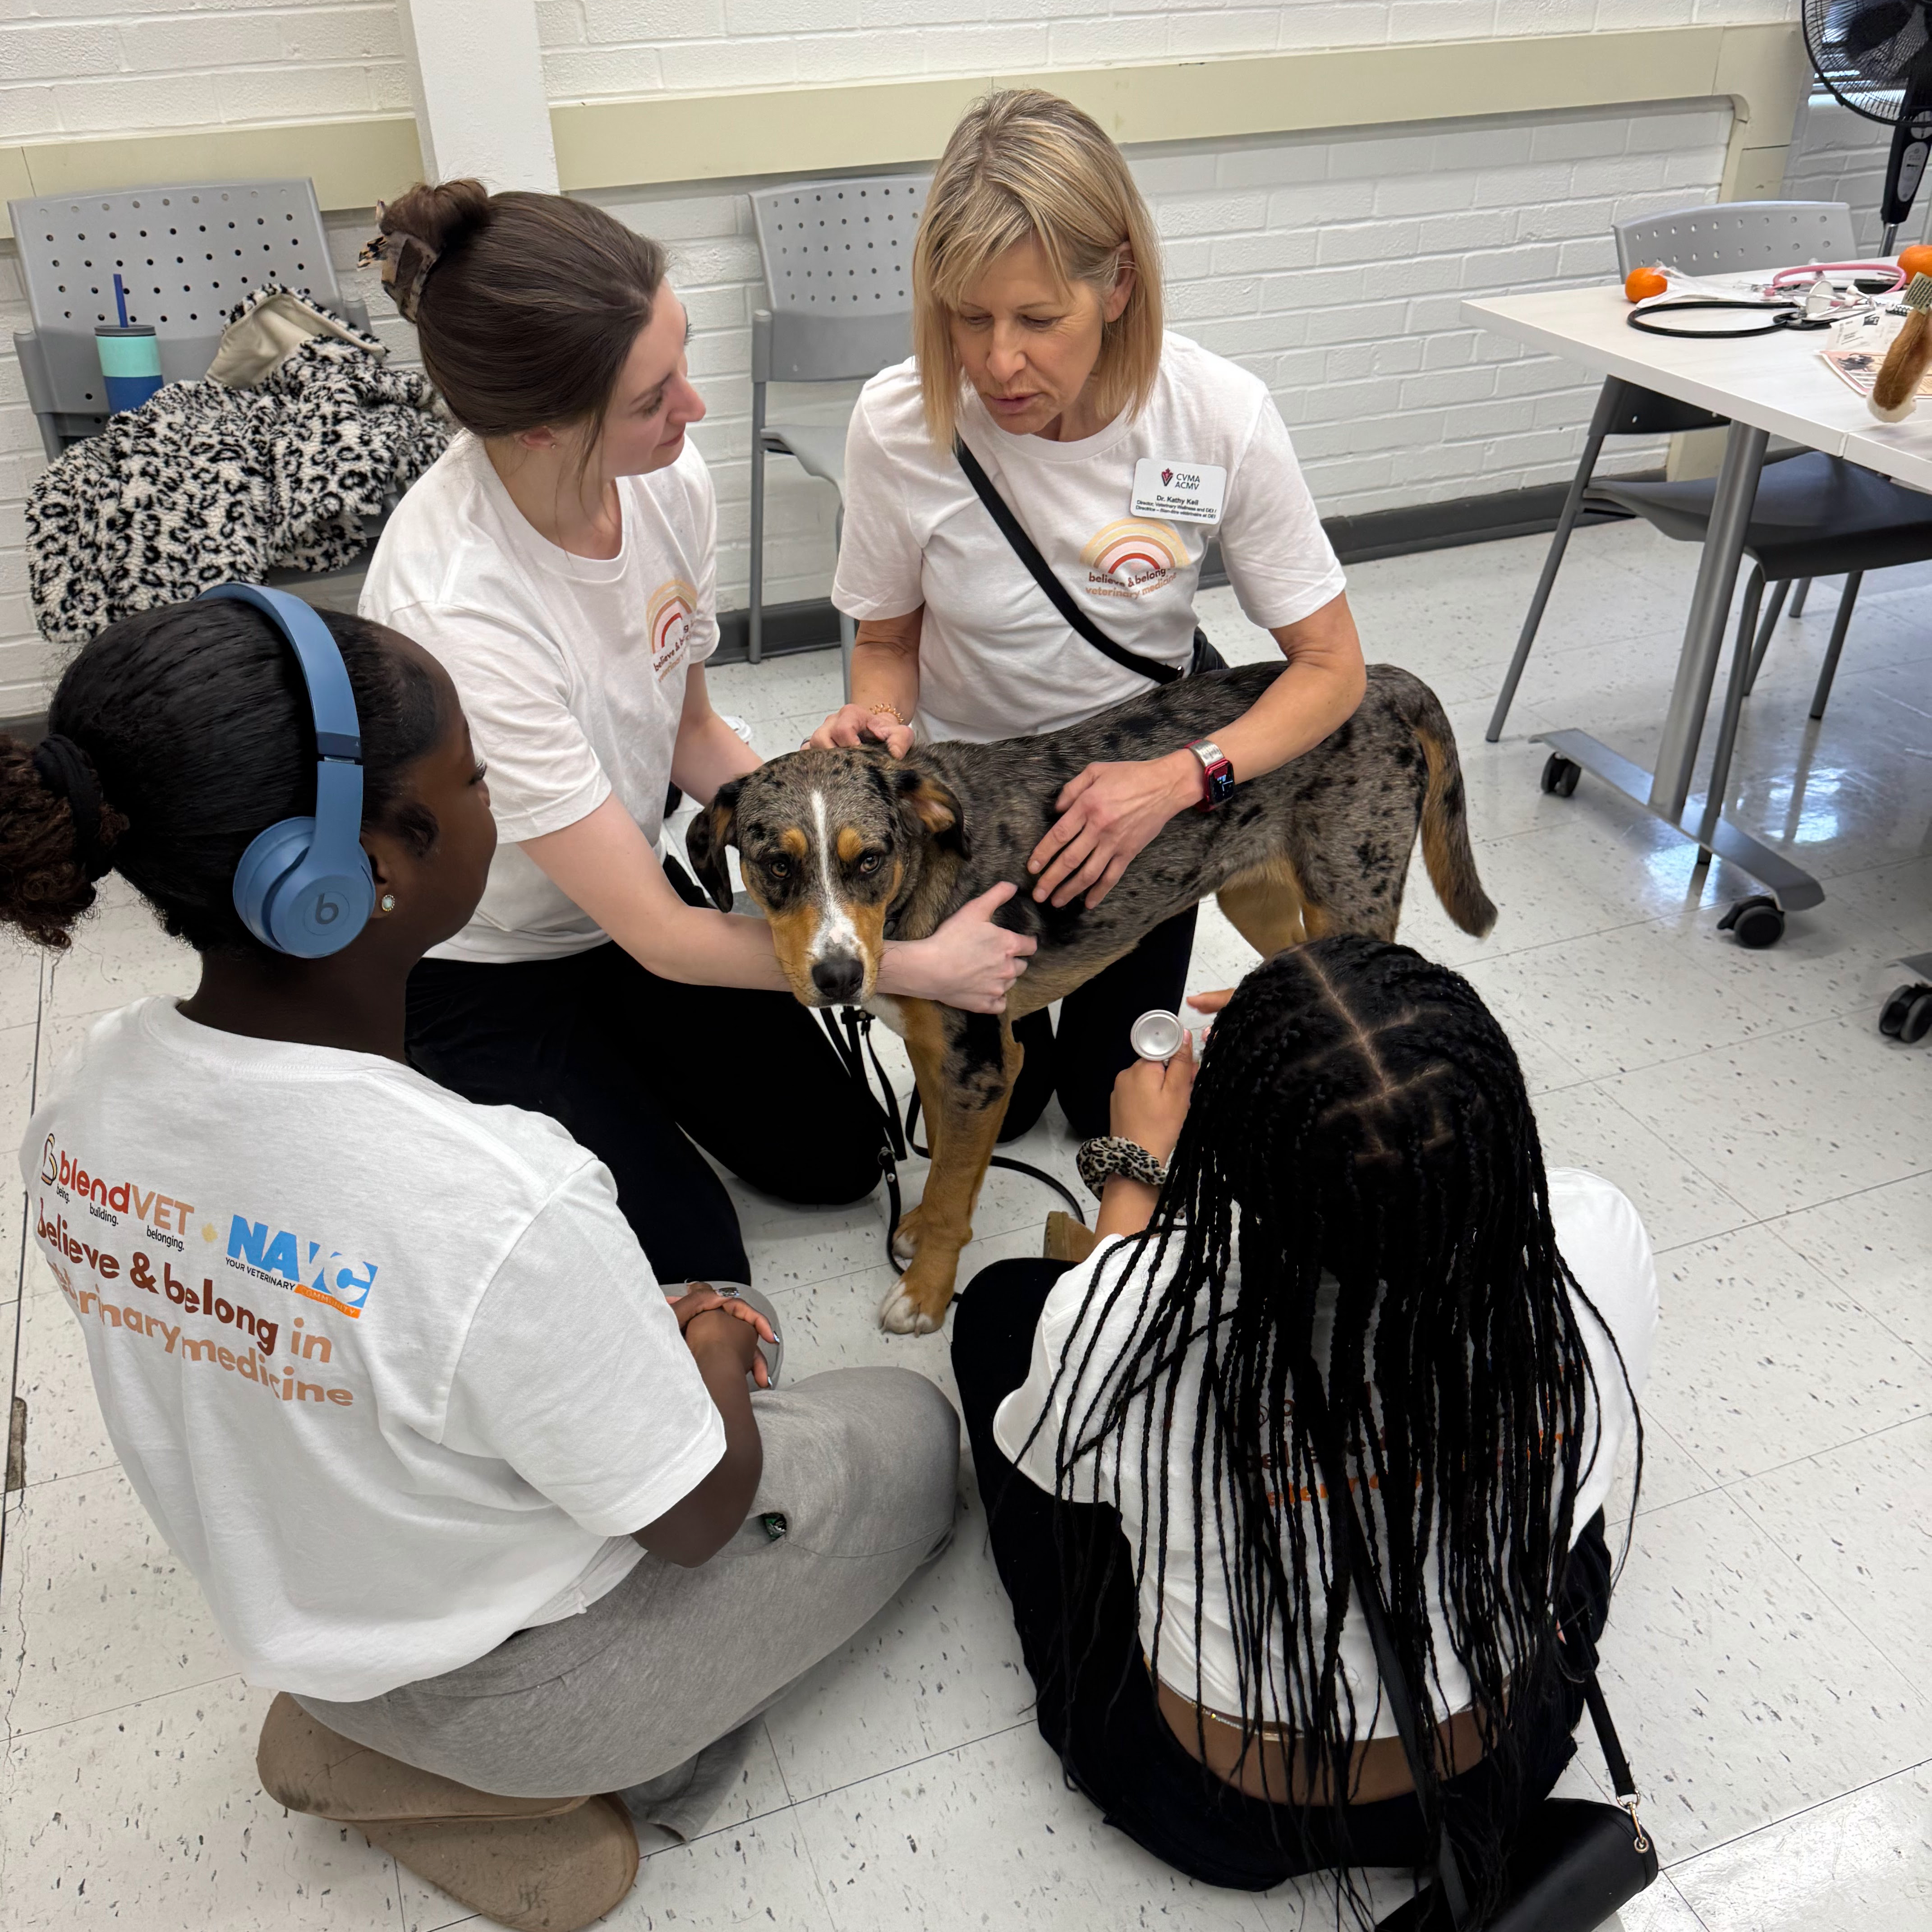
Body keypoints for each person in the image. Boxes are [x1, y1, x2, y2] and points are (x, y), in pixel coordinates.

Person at [4, 593, 960, 1932]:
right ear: (361, 863)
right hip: (531, 1687)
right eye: (473, 781)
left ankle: (373, 1731)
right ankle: (576, 1777)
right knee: (905, 1429)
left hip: (307, 1639)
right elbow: (695, 1519)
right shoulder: (503, 1195)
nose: (495, 802)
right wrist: (706, 1347)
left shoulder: (83, 1102)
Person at [356, 183, 1035, 1288]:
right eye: (652, 396)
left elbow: (692, 731)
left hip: (624, 902)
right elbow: (667, 940)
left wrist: (824, 794)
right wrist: (924, 966)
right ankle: (483, 1077)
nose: (697, 406)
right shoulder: (457, 612)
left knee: (836, 1162)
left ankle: (614, 1068)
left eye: (682, 361)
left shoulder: (664, 478)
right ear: (542, 425)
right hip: (490, 959)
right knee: (695, 1256)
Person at [950, 938, 1656, 1909]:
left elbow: (1068, 1440)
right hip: (1507, 1757)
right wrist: (1353, 1041)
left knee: (1004, 1310)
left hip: (1218, 1807)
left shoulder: (1129, 1323)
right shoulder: (1591, 1237)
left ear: (1232, 1155)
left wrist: (1135, 1176)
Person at [816, 89, 1367, 1143]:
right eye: (968, 317)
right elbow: (886, 641)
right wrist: (878, 719)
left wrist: (1180, 780)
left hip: (1140, 799)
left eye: (1038, 320)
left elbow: (1332, 667)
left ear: (1117, 283)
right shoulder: (899, 422)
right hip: (974, 807)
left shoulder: (1215, 414)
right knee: (991, 1104)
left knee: (1106, 1105)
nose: (998, 363)